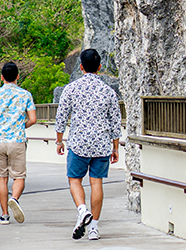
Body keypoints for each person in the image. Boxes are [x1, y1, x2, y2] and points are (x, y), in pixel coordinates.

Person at [55, 49, 121, 241]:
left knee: (74, 179)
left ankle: (82, 210)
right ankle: (94, 228)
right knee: (96, 182)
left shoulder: (71, 89)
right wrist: (115, 148)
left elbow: (61, 118)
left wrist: (59, 141)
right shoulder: (108, 91)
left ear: (81, 67)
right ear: (99, 67)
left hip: (78, 143)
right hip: (101, 143)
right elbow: (115, 123)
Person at [0, 61, 37, 225]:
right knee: (19, 177)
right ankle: (14, 198)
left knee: (2, 178)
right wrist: (21, 127)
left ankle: (4, 215)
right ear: (17, 76)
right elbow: (33, 119)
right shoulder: (25, 95)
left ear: (1, 77)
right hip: (17, 141)